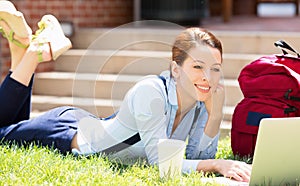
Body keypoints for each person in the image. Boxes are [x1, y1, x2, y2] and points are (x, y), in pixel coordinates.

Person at [0, 0, 251, 182]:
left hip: (86, 122)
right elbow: (163, 165)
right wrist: (219, 163)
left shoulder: (199, 100)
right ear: (175, 69)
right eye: (198, 66)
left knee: (10, 125)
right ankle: (34, 53)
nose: (208, 77)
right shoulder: (151, 93)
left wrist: (214, 116)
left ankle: (20, 46)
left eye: (215, 68)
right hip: (64, 132)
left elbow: (197, 156)